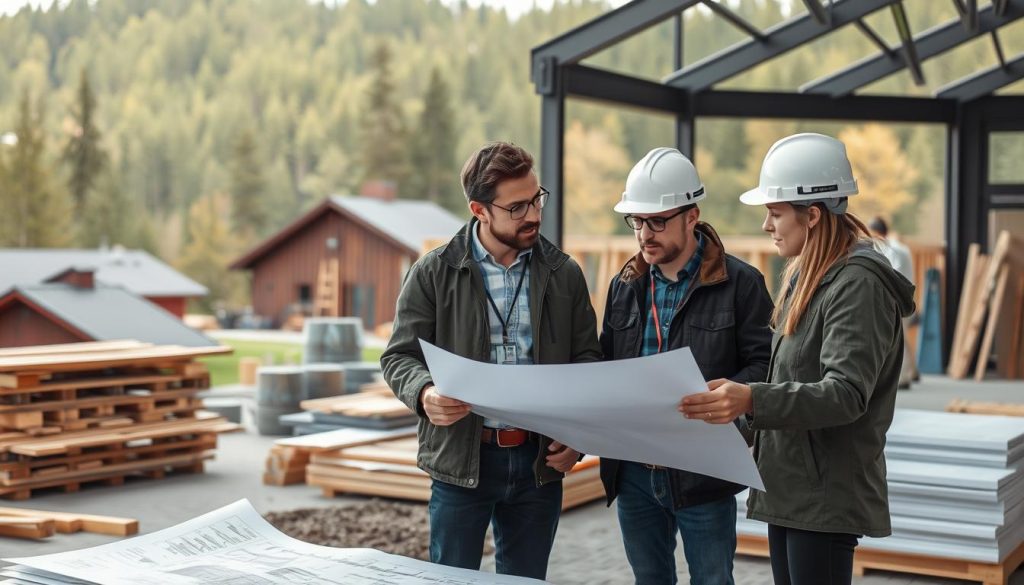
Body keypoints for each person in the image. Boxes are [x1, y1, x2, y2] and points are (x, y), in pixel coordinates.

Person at [680, 133, 915, 585]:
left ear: (811, 215)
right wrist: (729, 426)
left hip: (824, 498)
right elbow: (788, 375)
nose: (767, 225)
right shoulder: (807, 277)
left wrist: (751, 400)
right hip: (791, 489)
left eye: (774, 212)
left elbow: (845, 394)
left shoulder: (857, 286)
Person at [380, 141, 602, 581]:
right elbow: (400, 356)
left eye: (537, 199)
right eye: (517, 207)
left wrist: (577, 436)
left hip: (538, 463)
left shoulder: (564, 273)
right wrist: (424, 394)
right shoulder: (433, 271)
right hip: (461, 462)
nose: (534, 215)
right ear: (479, 209)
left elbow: (587, 361)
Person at [598, 147, 773, 585]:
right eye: (637, 221)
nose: (644, 234)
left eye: (657, 221)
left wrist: (731, 397)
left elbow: (766, 365)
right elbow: (603, 365)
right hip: (634, 469)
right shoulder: (625, 285)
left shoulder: (742, 284)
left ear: (692, 216)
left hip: (702, 470)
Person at [868, 216, 919, 388]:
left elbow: (891, 275)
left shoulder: (888, 249)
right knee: (902, 335)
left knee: (899, 338)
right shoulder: (901, 248)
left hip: (895, 299)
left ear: (877, 232)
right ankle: (913, 370)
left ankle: (903, 378)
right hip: (907, 296)